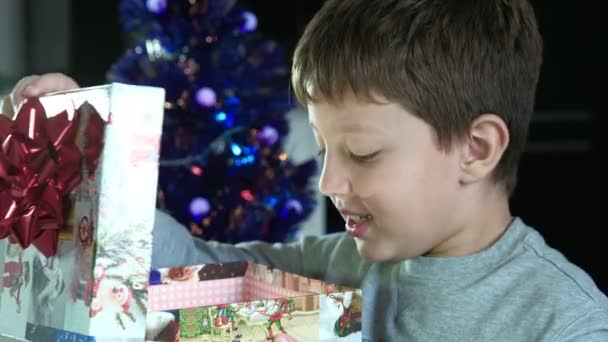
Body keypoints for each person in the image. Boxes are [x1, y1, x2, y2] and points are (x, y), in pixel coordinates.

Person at [3, 0, 608, 340]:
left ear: (476, 149)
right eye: (323, 150)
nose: (329, 184)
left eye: (364, 154)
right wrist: (93, 174)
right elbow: (179, 266)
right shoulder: (334, 268)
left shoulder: (566, 321)